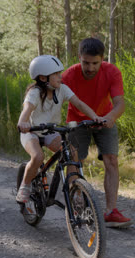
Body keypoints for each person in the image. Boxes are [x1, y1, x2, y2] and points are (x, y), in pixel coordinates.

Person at [62, 38, 132, 228]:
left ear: (102, 59)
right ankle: (77, 207)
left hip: (104, 118)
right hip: (77, 120)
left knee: (112, 160)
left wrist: (111, 117)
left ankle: (111, 211)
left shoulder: (112, 71)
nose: (90, 68)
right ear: (79, 58)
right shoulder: (69, 75)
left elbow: (119, 103)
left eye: (95, 63)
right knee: (75, 161)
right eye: (86, 62)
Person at [16, 55, 101, 204]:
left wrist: (95, 117)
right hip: (31, 132)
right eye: (55, 74)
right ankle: (25, 185)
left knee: (72, 152)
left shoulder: (62, 89)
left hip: (50, 131)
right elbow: (27, 110)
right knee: (38, 157)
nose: (60, 77)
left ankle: (74, 189)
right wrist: (23, 123)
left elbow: (79, 104)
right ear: (43, 78)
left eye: (59, 73)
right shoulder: (34, 93)